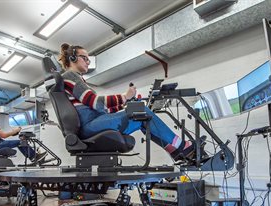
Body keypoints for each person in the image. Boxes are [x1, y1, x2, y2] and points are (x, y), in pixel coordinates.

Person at [58, 43, 204, 162]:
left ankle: (175, 151)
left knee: (142, 117)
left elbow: (103, 110)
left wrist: (125, 104)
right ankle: (181, 147)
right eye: (85, 58)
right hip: (89, 125)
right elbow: (96, 102)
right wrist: (124, 96)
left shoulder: (77, 79)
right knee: (142, 112)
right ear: (73, 58)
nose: (88, 62)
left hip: (93, 121)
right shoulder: (70, 76)